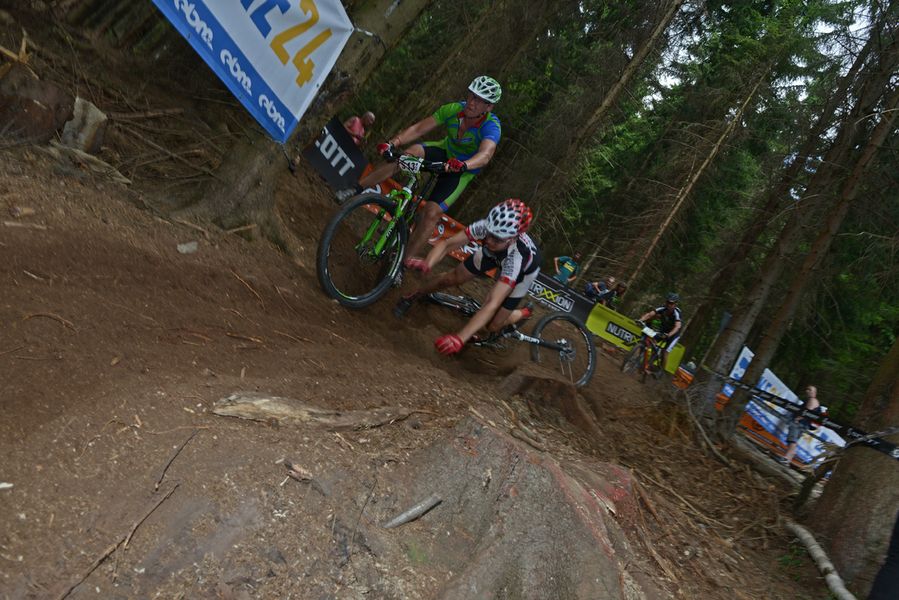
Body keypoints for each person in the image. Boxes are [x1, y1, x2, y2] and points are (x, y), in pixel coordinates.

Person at [337, 76, 503, 264]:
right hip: (444, 152)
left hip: (462, 170)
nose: (472, 102)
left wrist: (464, 165)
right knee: (408, 154)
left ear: (489, 107)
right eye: (472, 96)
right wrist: (393, 143)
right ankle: (354, 189)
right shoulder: (454, 109)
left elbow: (486, 154)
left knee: (431, 214)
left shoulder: (491, 126)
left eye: (479, 100)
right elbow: (418, 129)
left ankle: (402, 264)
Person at [393, 199, 539, 356]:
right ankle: (414, 295)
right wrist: (428, 263)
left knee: (493, 325)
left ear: (512, 238)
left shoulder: (516, 259)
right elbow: (447, 245)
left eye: (496, 238)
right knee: (452, 278)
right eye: (489, 234)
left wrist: (460, 338)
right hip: (494, 254)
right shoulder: (487, 227)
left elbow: (492, 303)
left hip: (524, 272)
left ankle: (522, 313)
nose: (489, 240)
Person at [779, 385, 824, 466]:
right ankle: (788, 459)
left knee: (792, 440)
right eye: (807, 389)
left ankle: (786, 458)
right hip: (802, 424)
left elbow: (807, 411)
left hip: (800, 423)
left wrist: (797, 419)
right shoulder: (811, 400)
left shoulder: (812, 400)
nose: (807, 391)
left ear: (814, 392)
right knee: (792, 441)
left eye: (810, 390)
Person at [637, 292, 683, 372]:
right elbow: (650, 314)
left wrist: (668, 335)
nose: (669, 305)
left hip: (674, 334)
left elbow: (677, 327)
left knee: (665, 351)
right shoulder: (662, 308)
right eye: (668, 302)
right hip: (664, 330)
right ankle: (647, 363)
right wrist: (640, 320)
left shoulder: (677, 313)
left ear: (675, 304)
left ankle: (660, 371)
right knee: (652, 342)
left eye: (671, 303)